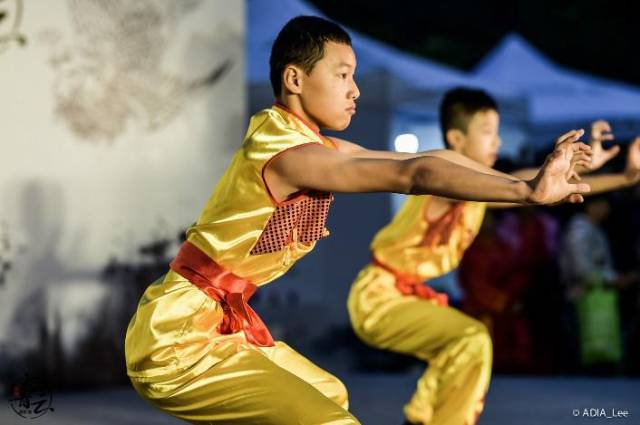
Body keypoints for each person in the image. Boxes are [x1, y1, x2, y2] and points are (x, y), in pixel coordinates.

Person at [125, 18, 591, 424]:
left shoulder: (306, 144)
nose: (355, 90)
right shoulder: (291, 157)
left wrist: (540, 178)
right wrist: (527, 192)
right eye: (343, 74)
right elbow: (413, 174)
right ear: (295, 78)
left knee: (331, 396)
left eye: (355, 76)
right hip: (178, 341)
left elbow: (437, 158)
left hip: (217, 326)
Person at [347, 88, 640, 425]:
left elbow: (536, 188)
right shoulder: (441, 170)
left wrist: (622, 177)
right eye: (487, 132)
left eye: (498, 132)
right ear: (456, 138)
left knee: (454, 352)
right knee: (471, 339)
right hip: (379, 297)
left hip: (409, 297)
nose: (497, 142)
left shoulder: (476, 192)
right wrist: (566, 172)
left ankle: (420, 418)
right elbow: (523, 183)